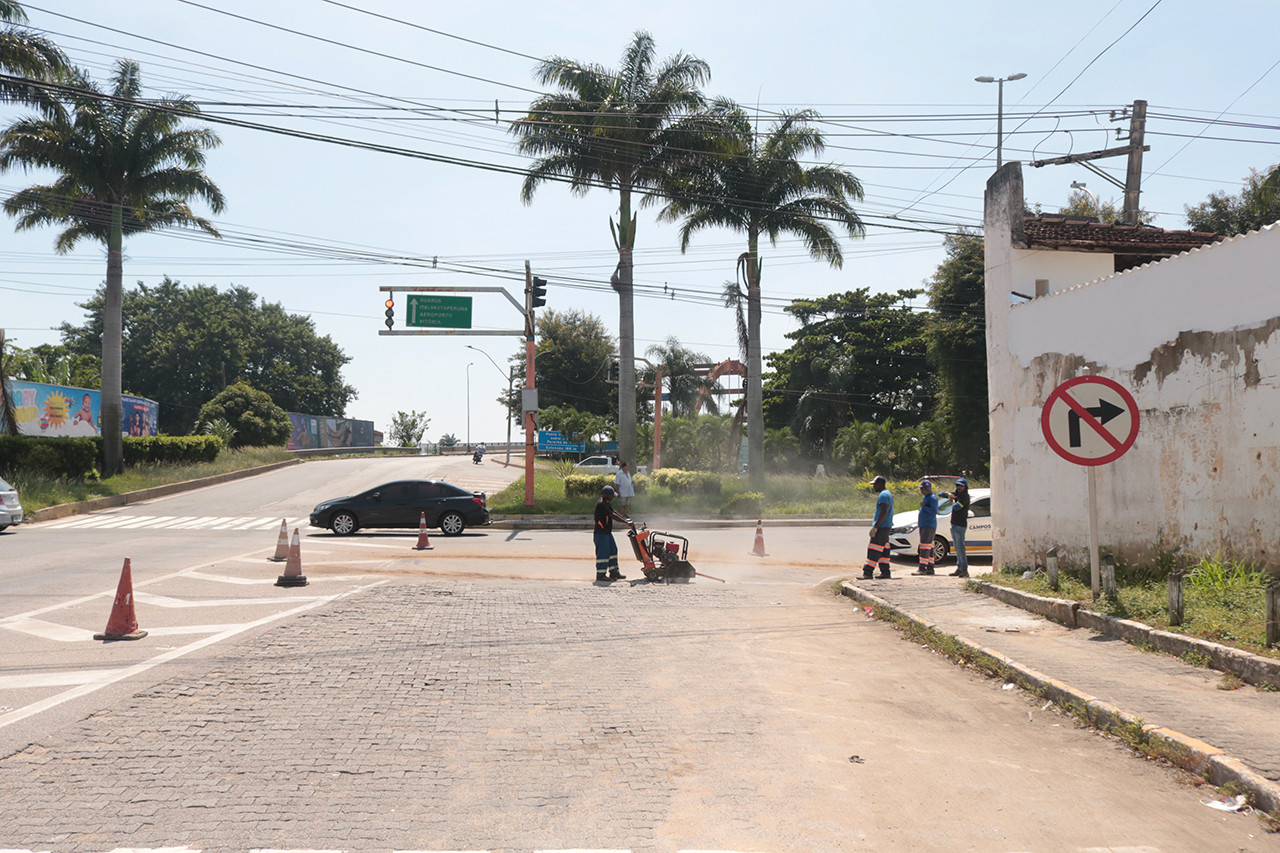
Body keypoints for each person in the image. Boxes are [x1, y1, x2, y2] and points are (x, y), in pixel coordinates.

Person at [593, 485, 629, 583]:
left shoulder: (606, 503)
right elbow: (612, 515)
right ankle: (600, 575)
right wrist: (626, 522)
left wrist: (624, 518)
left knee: (613, 551)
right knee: (603, 554)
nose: (613, 497)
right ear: (606, 495)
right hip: (601, 534)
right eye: (611, 495)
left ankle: (614, 572)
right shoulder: (601, 504)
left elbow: (614, 512)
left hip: (607, 533)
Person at [861, 475, 894, 580]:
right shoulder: (888, 494)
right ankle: (885, 572)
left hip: (882, 527)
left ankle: (867, 573)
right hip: (886, 527)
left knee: (874, 549)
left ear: (880, 484)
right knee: (884, 551)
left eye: (875, 484)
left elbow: (883, 511)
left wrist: (876, 526)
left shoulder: (883, 495)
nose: (874, 486)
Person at [940, 478, 971, 578]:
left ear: (965, 487)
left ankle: (964, 569)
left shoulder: (965, 497)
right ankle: (959, 567)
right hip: (954, 524)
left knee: (961, 548)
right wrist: (947, 494)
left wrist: (953, 499)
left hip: (960, 525)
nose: (959, 487)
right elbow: (940, 494)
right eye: (958, 485)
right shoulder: (956, 494)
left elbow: (957, 507)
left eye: (961, 486)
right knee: (957, 548)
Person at [912, 479, 939, 576]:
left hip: (929, 525)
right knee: (929, 547)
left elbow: (934, 511)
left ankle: (922, 568)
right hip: (924, 524)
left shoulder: (932, 498)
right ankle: (930, 568)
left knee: (924, 546)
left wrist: (924, 507)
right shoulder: (926, 497)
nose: (921, 490)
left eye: (922, 488)